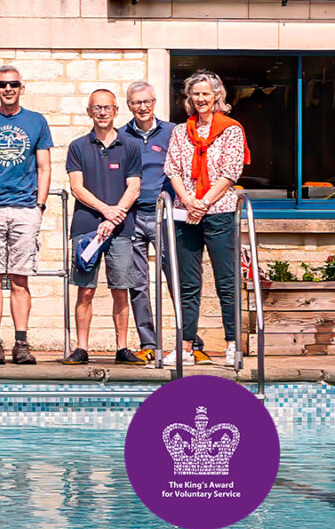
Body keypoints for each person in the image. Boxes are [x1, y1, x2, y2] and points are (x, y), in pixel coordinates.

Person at [0, 64, 53, 365]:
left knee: (20, 279)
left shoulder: (36, 121)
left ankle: (21, 343)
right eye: (2, 85)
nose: (8, 89)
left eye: (13, 85)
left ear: (21, 88)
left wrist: (39, 205)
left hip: (24, 208)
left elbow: (44, 166)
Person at [164, 70, 248, 368]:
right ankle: (186, 346)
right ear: (189, 98)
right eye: (195, 94)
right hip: (185, 214)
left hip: (220, 212)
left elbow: (230, 172)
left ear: (217, 97)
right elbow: (172, 169)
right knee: (187, 283)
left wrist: (203, 202)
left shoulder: (231, 130)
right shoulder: (179, 131)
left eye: (205, 94)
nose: (200, 99)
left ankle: (231, 345)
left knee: (226, 281)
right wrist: (188, 202)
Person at [59, 89, 146, 365]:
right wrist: (105, 211)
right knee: (85, 289)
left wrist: (113, 218)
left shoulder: (130, 146)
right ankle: (82, 347)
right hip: (86, 227)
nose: (102, 112)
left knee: (121, 288)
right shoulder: (78, 146)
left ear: (116, 110)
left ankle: (122, 348)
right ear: (89, 112)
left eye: (107, 107)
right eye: (96, 108)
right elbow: (76, 187)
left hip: (120, 230)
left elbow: (134, 187)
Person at [119, 81, 174, 365]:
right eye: (136, 102)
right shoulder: (120, 136)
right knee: (138, 283)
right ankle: (148, 341)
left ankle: (187, 340)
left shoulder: (172, 132)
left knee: (175, 278)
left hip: (164, 214)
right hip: (132, 216)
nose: (142, 107)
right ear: (129, 105)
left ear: (155, 103)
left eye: (147, 102)